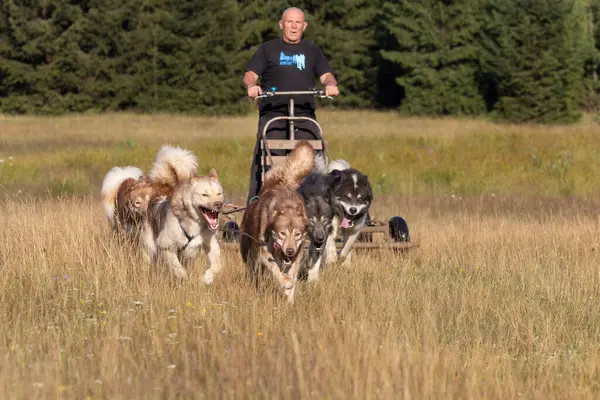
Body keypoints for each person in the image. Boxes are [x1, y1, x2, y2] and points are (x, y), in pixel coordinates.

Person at [243, 7, 340, 204]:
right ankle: (256, 205)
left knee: (316, 159)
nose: (294, 26)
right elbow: (250, 74)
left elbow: (326, 75)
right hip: (274, 115)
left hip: (304, 114)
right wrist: (252, 86)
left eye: (298, 23)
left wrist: (330, 84)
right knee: (266, 161)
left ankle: (320, 206)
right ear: (281, 24)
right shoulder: (267, 49)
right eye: (290, 22)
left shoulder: (312, 50)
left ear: (304, 26)